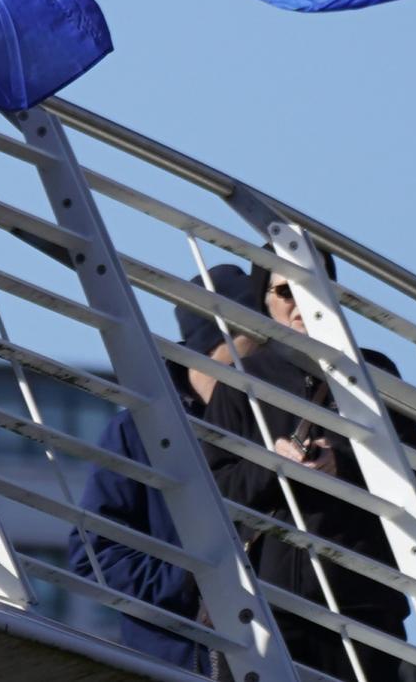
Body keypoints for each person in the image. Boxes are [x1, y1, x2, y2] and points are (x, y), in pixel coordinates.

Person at [65, 264, 260, 674]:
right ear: (208, 349)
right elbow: (95, 554)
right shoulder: (139, 429)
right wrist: (196, 582)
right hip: (176, 661)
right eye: (246, 360)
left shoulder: (268, 427)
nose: (257, 377)